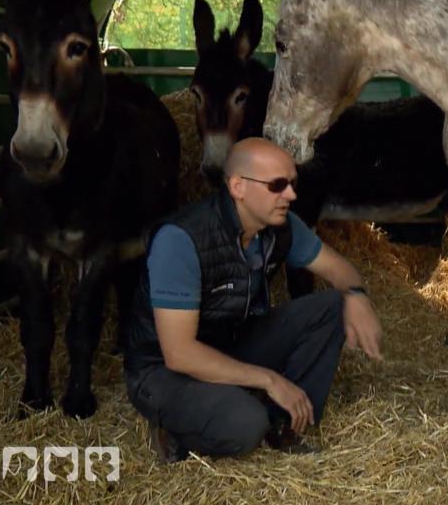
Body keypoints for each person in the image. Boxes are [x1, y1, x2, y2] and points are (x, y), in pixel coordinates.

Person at [124, 137, 383, 462]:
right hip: (162, 370)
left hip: (229, 340)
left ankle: (285, 423)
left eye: (291, 183)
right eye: (277, 185)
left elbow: (340, 270)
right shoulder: (181, 240)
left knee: (332, 304)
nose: (290, 195)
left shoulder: (281, 225)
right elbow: (179, 354)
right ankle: (174, 428)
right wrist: (270, 379)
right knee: (245, 426)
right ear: (238, 187)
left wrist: (356, 295)